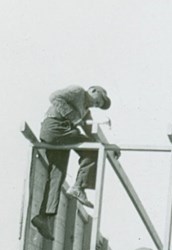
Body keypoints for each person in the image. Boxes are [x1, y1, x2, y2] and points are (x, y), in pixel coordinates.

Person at [32, 85, 113, 239]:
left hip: (60, 134)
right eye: (99, 102)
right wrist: (74, 118)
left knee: (57, 176)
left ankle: (44, 217)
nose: (97, 106)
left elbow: (91, 133)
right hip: (55, 128)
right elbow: (54, 96)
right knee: (92, 150)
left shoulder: (86, 111)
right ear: (93, 91)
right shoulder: (78, 92)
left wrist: (110, 147)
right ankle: (79, 186)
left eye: (99, 106)